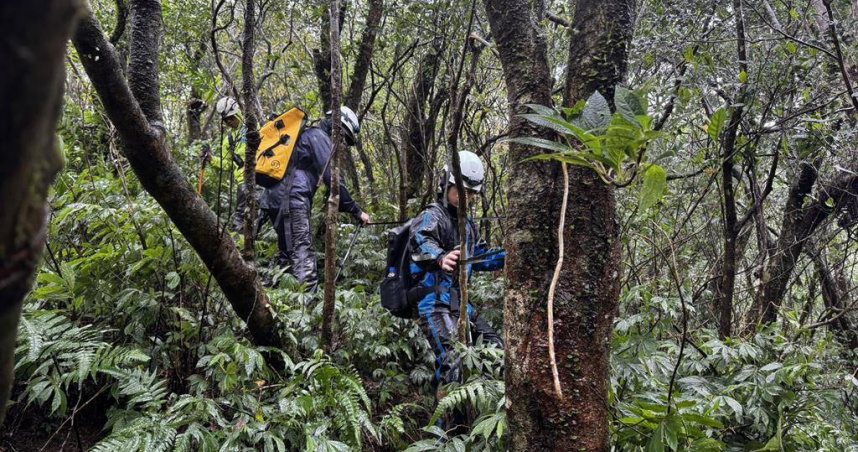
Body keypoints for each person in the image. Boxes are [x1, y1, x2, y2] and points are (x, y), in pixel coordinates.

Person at [408, 151, 505, 398]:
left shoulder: (468, 225)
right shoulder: (433, 215)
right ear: (447, 184)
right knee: (453, 361)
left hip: (461, 304)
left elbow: (481, 257)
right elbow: (420, 240)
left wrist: (511, 254)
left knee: (497, 349)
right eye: (463, 191)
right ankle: (446, 434)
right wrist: (441, 257)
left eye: (472, 193)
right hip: (434, 304)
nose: (467, 198)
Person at [261, 106, 370, 292]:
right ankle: (307, 304)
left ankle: (268, 293)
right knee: (302, 250)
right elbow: (333, 179)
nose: (342, 141)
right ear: (336, 126)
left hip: (275, 197)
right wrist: (356, 210)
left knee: (288, 250)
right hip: (292, 198)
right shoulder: (318, 137)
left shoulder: (306, 136)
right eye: (343, 135)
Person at [201, 97, 249, 232]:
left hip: (262, 178)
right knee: (240, 222)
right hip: (243, 183)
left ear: (237, 112)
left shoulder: (252, 127)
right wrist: (210, 159)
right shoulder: (229, 140)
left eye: (231, 118)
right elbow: (226, 164)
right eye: (226, 120)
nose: (229, 122)